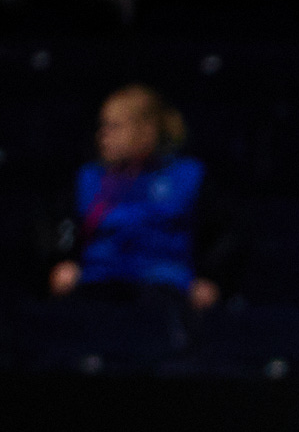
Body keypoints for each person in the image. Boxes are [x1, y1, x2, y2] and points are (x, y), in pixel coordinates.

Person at [47, 85, 229, 314]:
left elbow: (221, 236)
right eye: (102, 126)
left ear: (147, 130)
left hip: (165, 288)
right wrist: (64, 263)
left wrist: (210, 279)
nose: (103, 135)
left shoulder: (188, 176)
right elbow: (61, 233)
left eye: (115, 127)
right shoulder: (89, 178)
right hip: (96, 285)